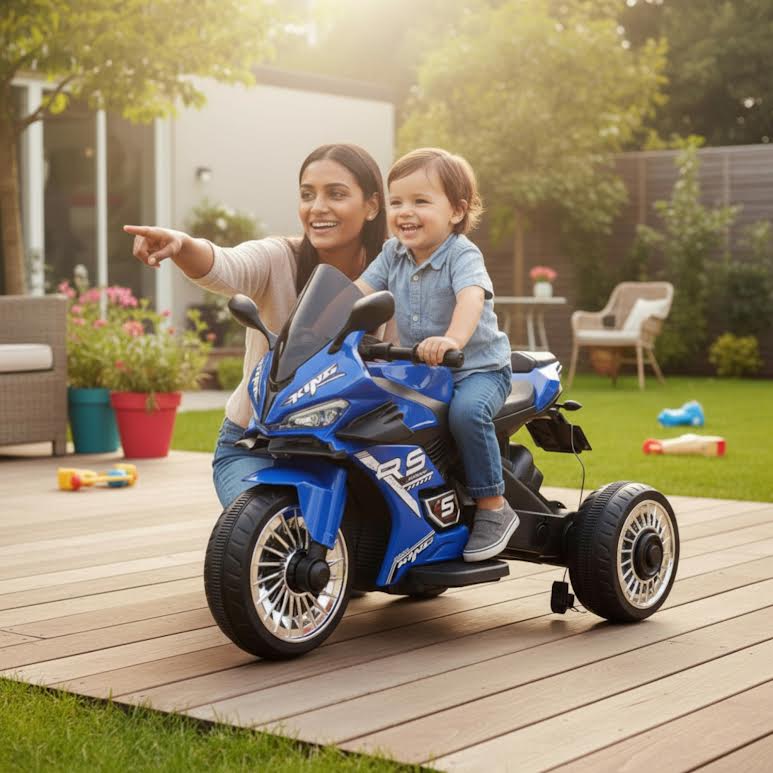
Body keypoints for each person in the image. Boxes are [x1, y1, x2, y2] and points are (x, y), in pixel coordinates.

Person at [125, 143, 388, 508]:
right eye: (307, 195)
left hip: (353, 447)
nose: (318, 207)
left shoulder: (398, 271)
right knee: (265, 532)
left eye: (336, 194)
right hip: (256, 443)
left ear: (372, 205)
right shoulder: (279, 257)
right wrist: (182, 245)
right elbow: (225, 265)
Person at [356, 147, 517, 563]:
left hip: (476, 369)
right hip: (421, 371)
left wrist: (452, 340)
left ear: (456, 211)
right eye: (397, 202)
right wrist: (315, 320)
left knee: (466, 414)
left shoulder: (462, 254)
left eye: (420, 201)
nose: (405, 211)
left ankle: (493, 508)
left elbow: (471, 298)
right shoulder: (393, 253)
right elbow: (357, 293)